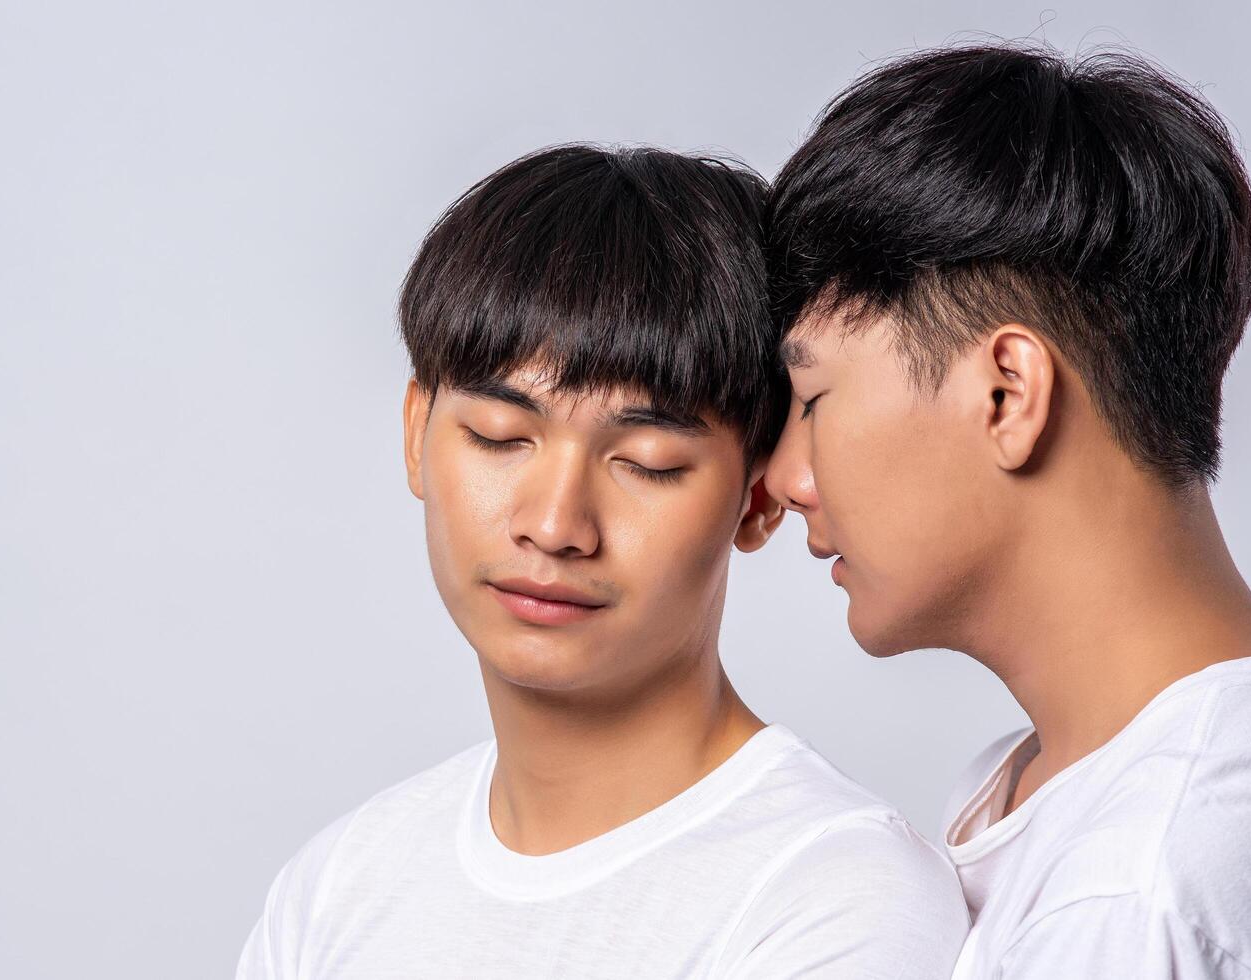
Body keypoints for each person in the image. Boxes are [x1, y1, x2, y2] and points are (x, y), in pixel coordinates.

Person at [236, 144, 966, 978]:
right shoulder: (340, 887)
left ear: (757, 498)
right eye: (499, 439)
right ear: (416, 434)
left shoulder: (836, 899)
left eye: (647, 461)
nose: (554, 526)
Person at [761, 44, 1251, 978]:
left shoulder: (1139, 893)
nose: (785, 478)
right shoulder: (1059, 788)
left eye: (812, 403)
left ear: (1007, 393)